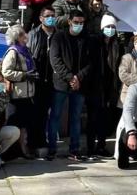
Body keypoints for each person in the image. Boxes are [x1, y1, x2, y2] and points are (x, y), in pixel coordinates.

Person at [47, 10, 92, 161]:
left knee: (75, 118)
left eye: (81, 22)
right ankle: (52, 149)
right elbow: (55, 59)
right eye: (76, 22)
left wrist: (78, 78)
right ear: (69, 22)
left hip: (79, 85)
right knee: (55, 116)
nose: (79, 25)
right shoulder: (59, 36)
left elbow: (90, 62)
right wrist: (69, 78)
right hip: (60, 84)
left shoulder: (86, 38)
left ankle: (74, 149)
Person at [86, 13, 122, 158]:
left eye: (113, 27)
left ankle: (101, 145)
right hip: (95, 86)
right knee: (92, 118)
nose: (110, 29)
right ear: (102, 28)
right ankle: (90, 147)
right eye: (108, 27)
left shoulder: (116, 44)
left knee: (104, 118)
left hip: (110, 86)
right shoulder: (94, 42)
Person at [0, 25, 37, 158]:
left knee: (24, 123)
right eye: (22, 34)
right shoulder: (13, 51)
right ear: (17, 37)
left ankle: (22, 149)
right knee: (16, 123)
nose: (25, 35)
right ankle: (14, 151)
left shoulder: (25, 50)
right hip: (17, 95)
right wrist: (24, 75)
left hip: (27, 93)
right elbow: (6, 71)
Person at [27, 6, 57, 157]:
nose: (51, 18)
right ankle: (33, 142)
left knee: (46, 112)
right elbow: (28, 54)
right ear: (41, 18)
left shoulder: (58, 35)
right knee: (34, 112)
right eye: (47, 16)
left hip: (52, 80)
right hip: (36, 79)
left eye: (53, 15)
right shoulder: (34, 34)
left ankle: (43, 140)